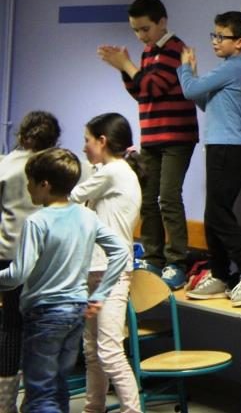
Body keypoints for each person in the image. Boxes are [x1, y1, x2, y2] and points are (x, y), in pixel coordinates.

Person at [0, 148, 130, 413]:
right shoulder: (86, 216)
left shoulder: (37, 222)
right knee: (58, 386)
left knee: (40, 394)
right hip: (76, 313)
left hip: (44, 315)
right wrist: (100, 294)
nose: (27, 187)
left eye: (30, 182)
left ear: (45, 185)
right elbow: (120, 252)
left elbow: (18, 274)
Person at [97, 0, 197, 290]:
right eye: (136, 30)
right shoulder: (148, 52)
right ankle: (153, 258)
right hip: (151, 136)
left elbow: (153, 86)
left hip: (176, 137)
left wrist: (126, 64)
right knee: (148, 199)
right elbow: (140, 92)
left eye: (145, 29)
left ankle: (176, 262)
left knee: (169, 197)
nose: (141, 35)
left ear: (161, 22)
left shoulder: (174, 48)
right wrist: (123, 68)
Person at [177, 11, 241, 303]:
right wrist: (193, 77)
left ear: (239, 42)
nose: (214, 41)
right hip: (221, 146)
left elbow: (189, 91)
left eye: (221, 37)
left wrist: (186, 69)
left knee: (217, 214)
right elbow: (205, 102)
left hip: (229, 148)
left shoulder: (235, 67)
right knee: (213, 214)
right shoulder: (230, 69)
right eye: (214, 35)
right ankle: (220, 273)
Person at [71, 113, 143, 413]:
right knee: (91, 351)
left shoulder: (114, 171)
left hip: (112, 272)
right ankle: (93, 408)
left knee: (109, 351)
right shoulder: (110, 171)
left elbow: (73, 196)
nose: (84, 147)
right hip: (94, 269)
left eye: (87, 140)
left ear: (102, 141)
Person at [0, 111, 60, 412]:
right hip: (46, 259)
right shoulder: (58, 166)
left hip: (8, 256)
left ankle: (4, 402)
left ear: (22, 135)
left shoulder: (5, 165)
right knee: (42, 330)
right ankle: (37, 402)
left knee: (10, 327)